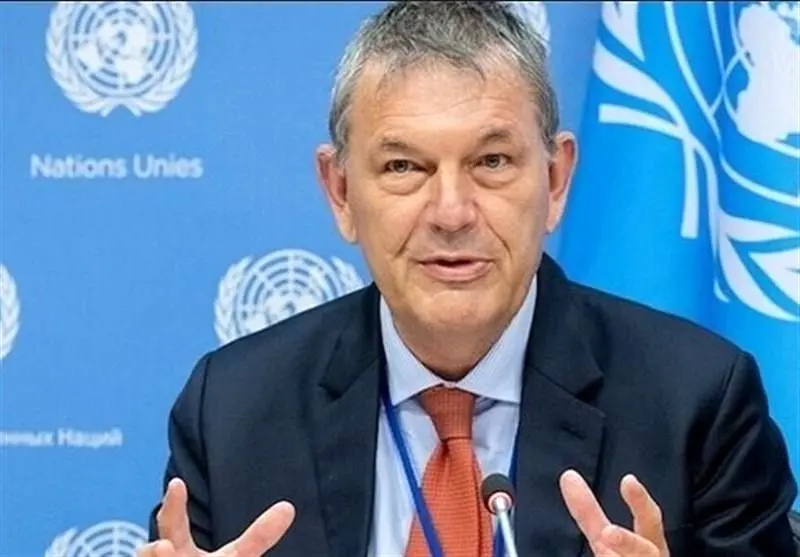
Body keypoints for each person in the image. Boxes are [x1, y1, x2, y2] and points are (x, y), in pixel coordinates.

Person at [138, 2, 798, 556]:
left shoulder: (698, 404)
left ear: (555, 179)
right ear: (340, 191)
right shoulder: (233, 411)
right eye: (403, 167)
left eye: (492, 161)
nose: (451, 212)